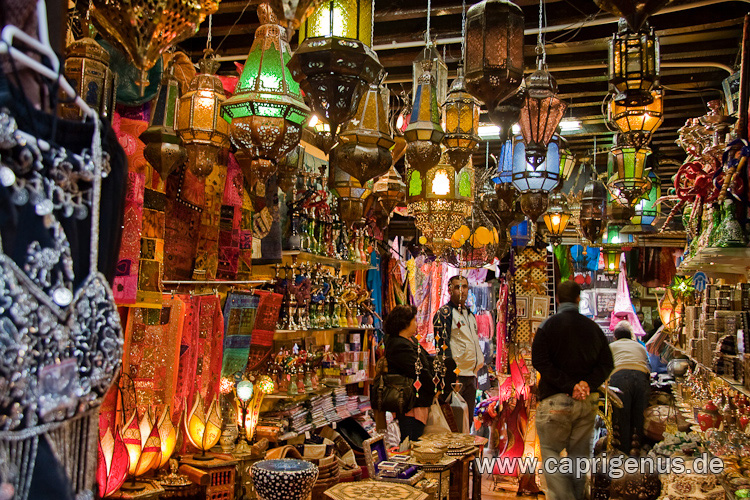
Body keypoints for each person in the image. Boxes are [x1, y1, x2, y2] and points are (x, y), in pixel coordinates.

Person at [532, 281, 614, 500]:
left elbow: (540, 361)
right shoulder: (593, 328)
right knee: (579, 457)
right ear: (579, 299)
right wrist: (586, 384)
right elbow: (607, 363)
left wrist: (569, 385)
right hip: (585, 403)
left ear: (557, 299)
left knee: (550, 452)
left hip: (554, 403)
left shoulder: (547, 327)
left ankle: (564, 497)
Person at [433, 275, 484, 427]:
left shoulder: (469, 314)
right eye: (457, 287)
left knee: (466, 422)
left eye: (464, 287)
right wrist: (450, 375)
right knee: (454, 421)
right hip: (456, 377)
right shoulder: (444, 314)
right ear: (449, 290)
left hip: (471, 375)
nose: (461, 291)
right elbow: (441, 346)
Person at [384, 305, 436, 443]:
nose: (416, 324)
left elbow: (427, 361)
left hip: (417, 402)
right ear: (404, 323)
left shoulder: (410, 340)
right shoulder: (398, 345)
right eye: (414, 320)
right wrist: (434, 388)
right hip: (410, 404)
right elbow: (418, 371)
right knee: (412, 443)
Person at [609, 320, 651, 455]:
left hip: (620, 378)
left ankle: (623, 454)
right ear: (630, 335)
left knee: (622, 417)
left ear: (615, 337)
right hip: (641, 378)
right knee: (639, 417)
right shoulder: (640, 347)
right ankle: (638, 455)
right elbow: (647, 366)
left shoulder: (611, 346)